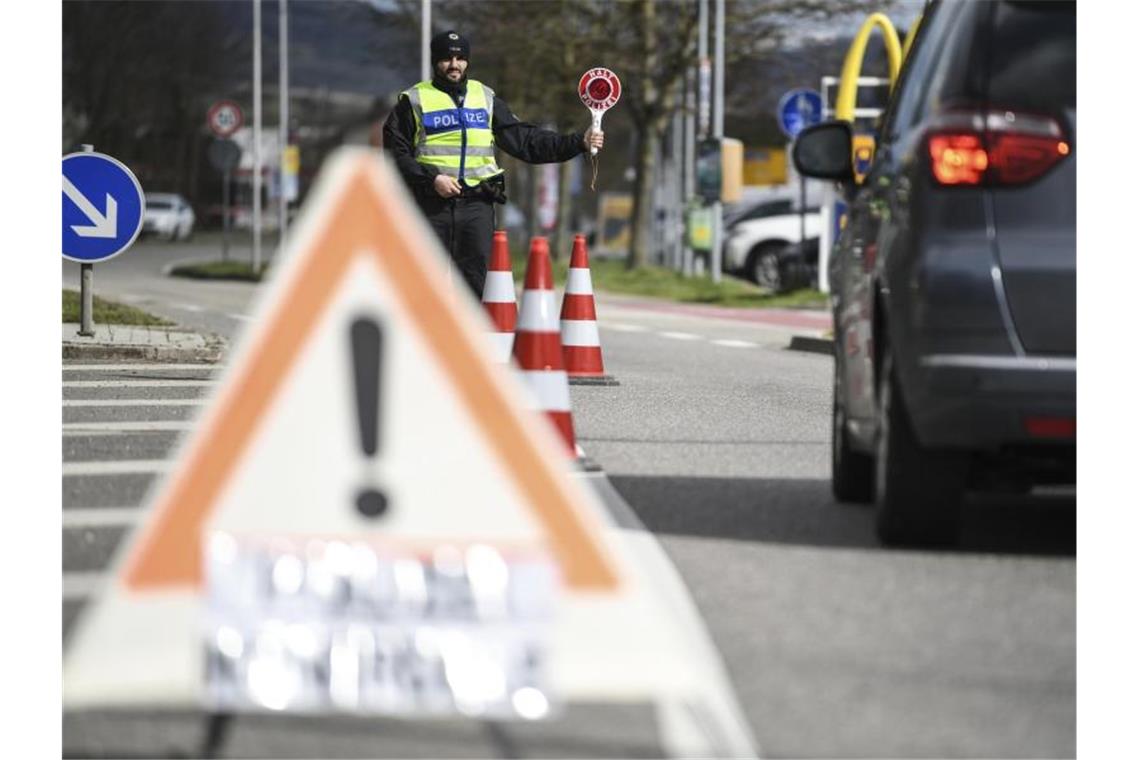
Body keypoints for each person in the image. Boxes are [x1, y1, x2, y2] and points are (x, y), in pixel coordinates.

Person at [382, 30, 605, 297]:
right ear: (435, 61)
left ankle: (467, 339)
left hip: (477, 205)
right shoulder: (414, 100)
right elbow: (395, 154)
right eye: (447, 59)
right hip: (430, 205)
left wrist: (578, 142)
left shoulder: (485, 98)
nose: (454, 65)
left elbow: (526, 141)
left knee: (475, 291)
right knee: (424, 288)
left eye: (461, 58)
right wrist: (431, 180)